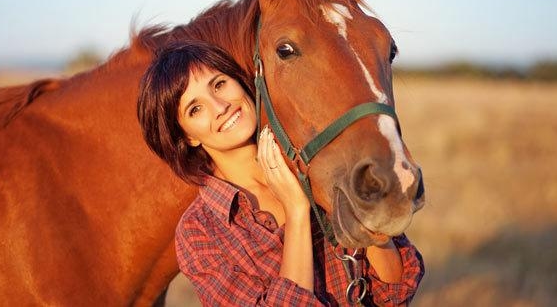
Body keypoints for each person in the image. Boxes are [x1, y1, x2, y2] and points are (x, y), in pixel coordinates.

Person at [137, 40, 424, 306]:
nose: (220, 107)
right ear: (187, 137)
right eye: (195, 108)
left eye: (220, 84)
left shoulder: (314, 162)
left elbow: (395, 290)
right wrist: (297, 211)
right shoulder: (198, 234)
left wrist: (373, 229)